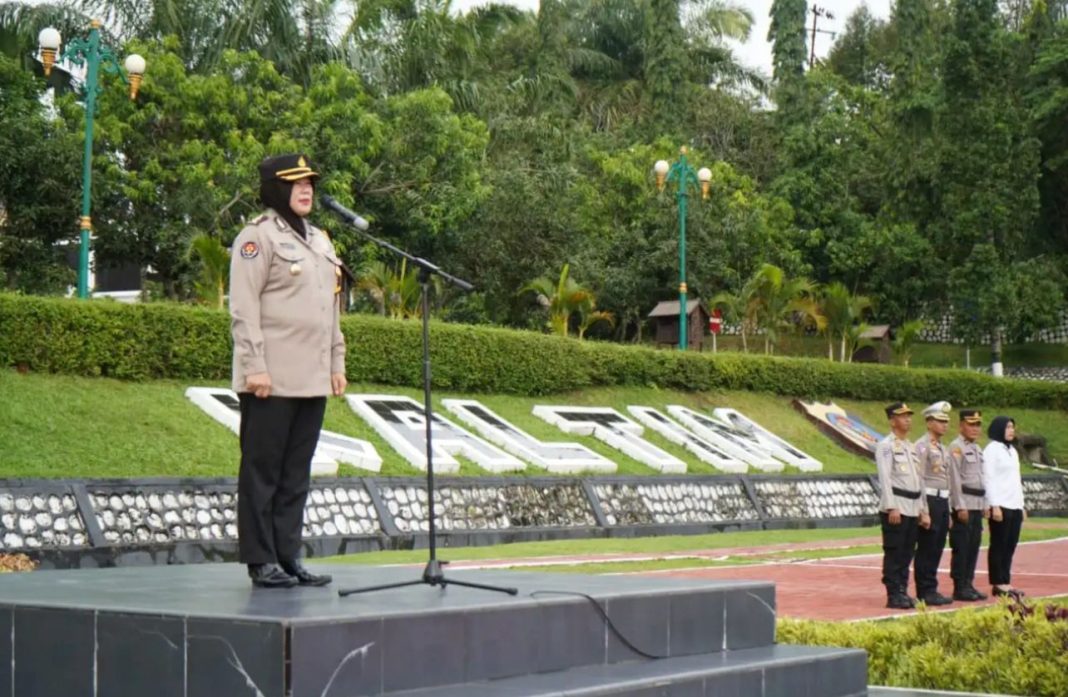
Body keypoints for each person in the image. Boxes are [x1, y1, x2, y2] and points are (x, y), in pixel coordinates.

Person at [229, 153, 348, 589]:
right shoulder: (256, 238)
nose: (306, 190)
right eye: (295, 183)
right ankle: (261, 560)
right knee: (263, 472)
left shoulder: (321, 240)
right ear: (276, 189)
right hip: (271, 379)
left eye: (310, 184)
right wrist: (254, 366)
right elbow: (243, 308)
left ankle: (288, 554)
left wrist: (337, 361)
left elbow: (329, 309)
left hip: (311, 378)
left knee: (297, 472)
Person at [876, 403, 931, 609]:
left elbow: (919, 480)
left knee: (908, 551)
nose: (908, 419)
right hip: (897, 505)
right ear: (892, 421)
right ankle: (893, 593)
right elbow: (885, 477)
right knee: (895, 551)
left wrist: (923, 509)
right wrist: (892, 506)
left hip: (912, 505)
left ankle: (903, 589)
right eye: (902, 416)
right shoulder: (886, 446)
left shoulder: (911, 446)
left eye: (909, 415)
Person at [913, 401, 954, 606]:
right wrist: (924, 510)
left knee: (937, 547)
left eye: (946, 421)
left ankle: (932, 588)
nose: (944, 425)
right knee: (927, 548)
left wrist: (948, 509)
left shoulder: (943, 448)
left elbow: (947, 479)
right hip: (929, 500)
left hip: (942, 500)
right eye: (939, 421)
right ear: (929, 423)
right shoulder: (922, 446)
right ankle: (925, 590)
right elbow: (919, 478)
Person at [983, 416, 1026, 598]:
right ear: (999, 428)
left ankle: (1006, 581)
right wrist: (994, 504)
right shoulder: (992, 450)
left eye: (1013, 427)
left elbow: (1016, 479)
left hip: (1014, 503)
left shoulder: (1012, 451)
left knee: (1010, 544)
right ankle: (997, 582)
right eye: (1008, 427)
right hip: (1000, 504)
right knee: (999, 544)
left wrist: (1022, 505)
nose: (1011, 430)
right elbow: (988, 478)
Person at [947, 409, 988, 601]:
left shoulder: (977, 449)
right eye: (971, 424)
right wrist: (959, 506)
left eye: (978, 424)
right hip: (964, 503)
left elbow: (982, 479)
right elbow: (954, 479)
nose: (975, 428)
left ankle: (968, 583)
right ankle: (959, 586)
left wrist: (985, 503)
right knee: (962, 547)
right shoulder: (956, 447)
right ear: (961, 425)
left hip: (977, 504)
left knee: (973, 546)